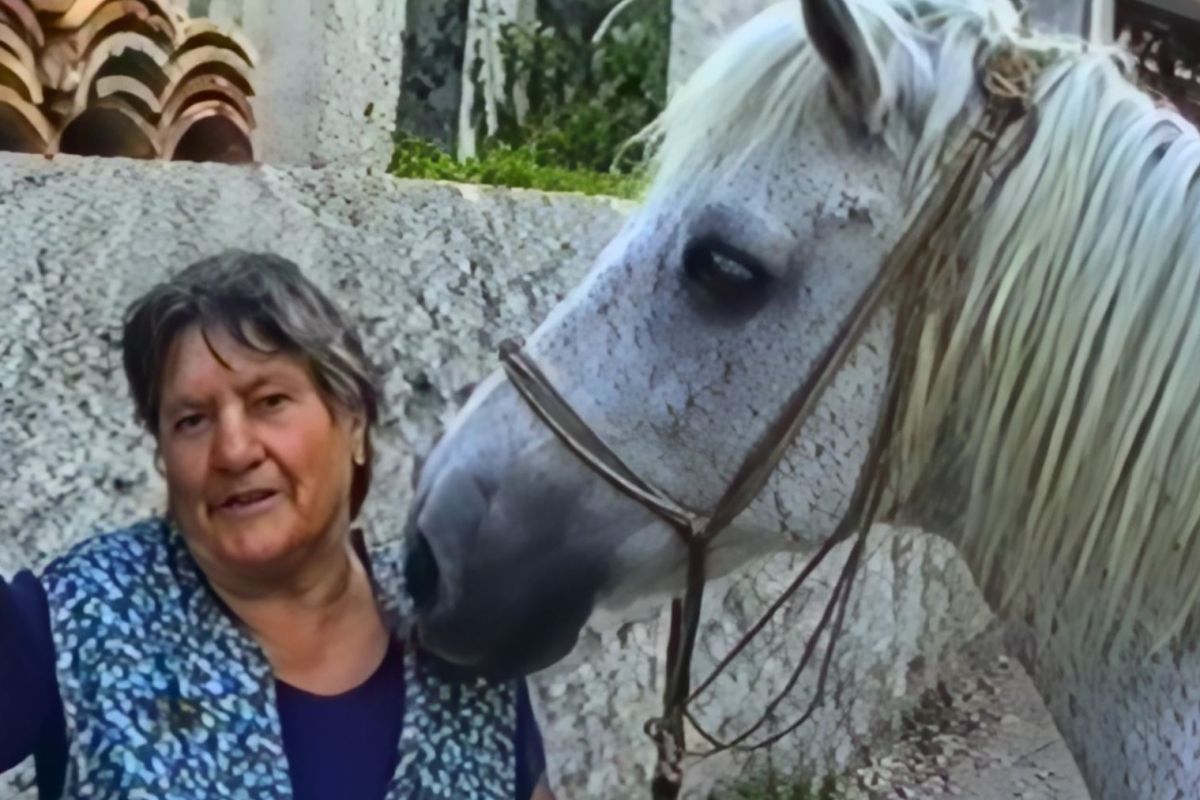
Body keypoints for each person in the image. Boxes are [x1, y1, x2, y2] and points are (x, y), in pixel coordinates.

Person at [0, 250, 554, 800]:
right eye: (191, 420)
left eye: (269, 401)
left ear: (353, 421)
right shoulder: (77, 617)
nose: (234, 451)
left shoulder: (459, 633)